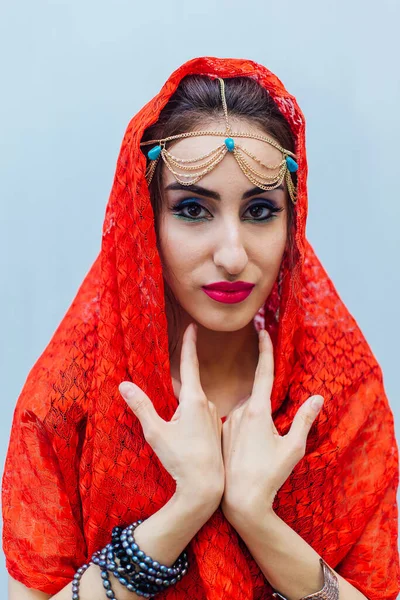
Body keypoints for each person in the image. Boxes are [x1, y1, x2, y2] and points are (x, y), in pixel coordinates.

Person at [2, 56, 399, 600]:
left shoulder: (339, 397)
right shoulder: (71, 399)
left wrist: (257, 517)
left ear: (293, 222)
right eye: (192, 209)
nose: (233, 255)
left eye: (260, 211)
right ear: (146, 220)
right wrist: (186, 508)